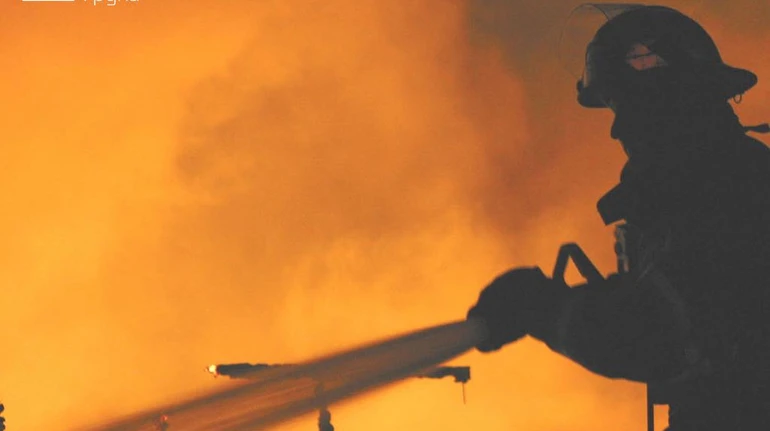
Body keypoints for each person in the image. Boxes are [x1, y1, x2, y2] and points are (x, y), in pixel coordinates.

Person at [467, 4, 769, 431]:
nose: (617, 129)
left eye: (629, 106)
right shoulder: (718, 182)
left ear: (678, 100)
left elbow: (657, 333)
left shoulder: (732, 190)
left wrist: (540, 306)